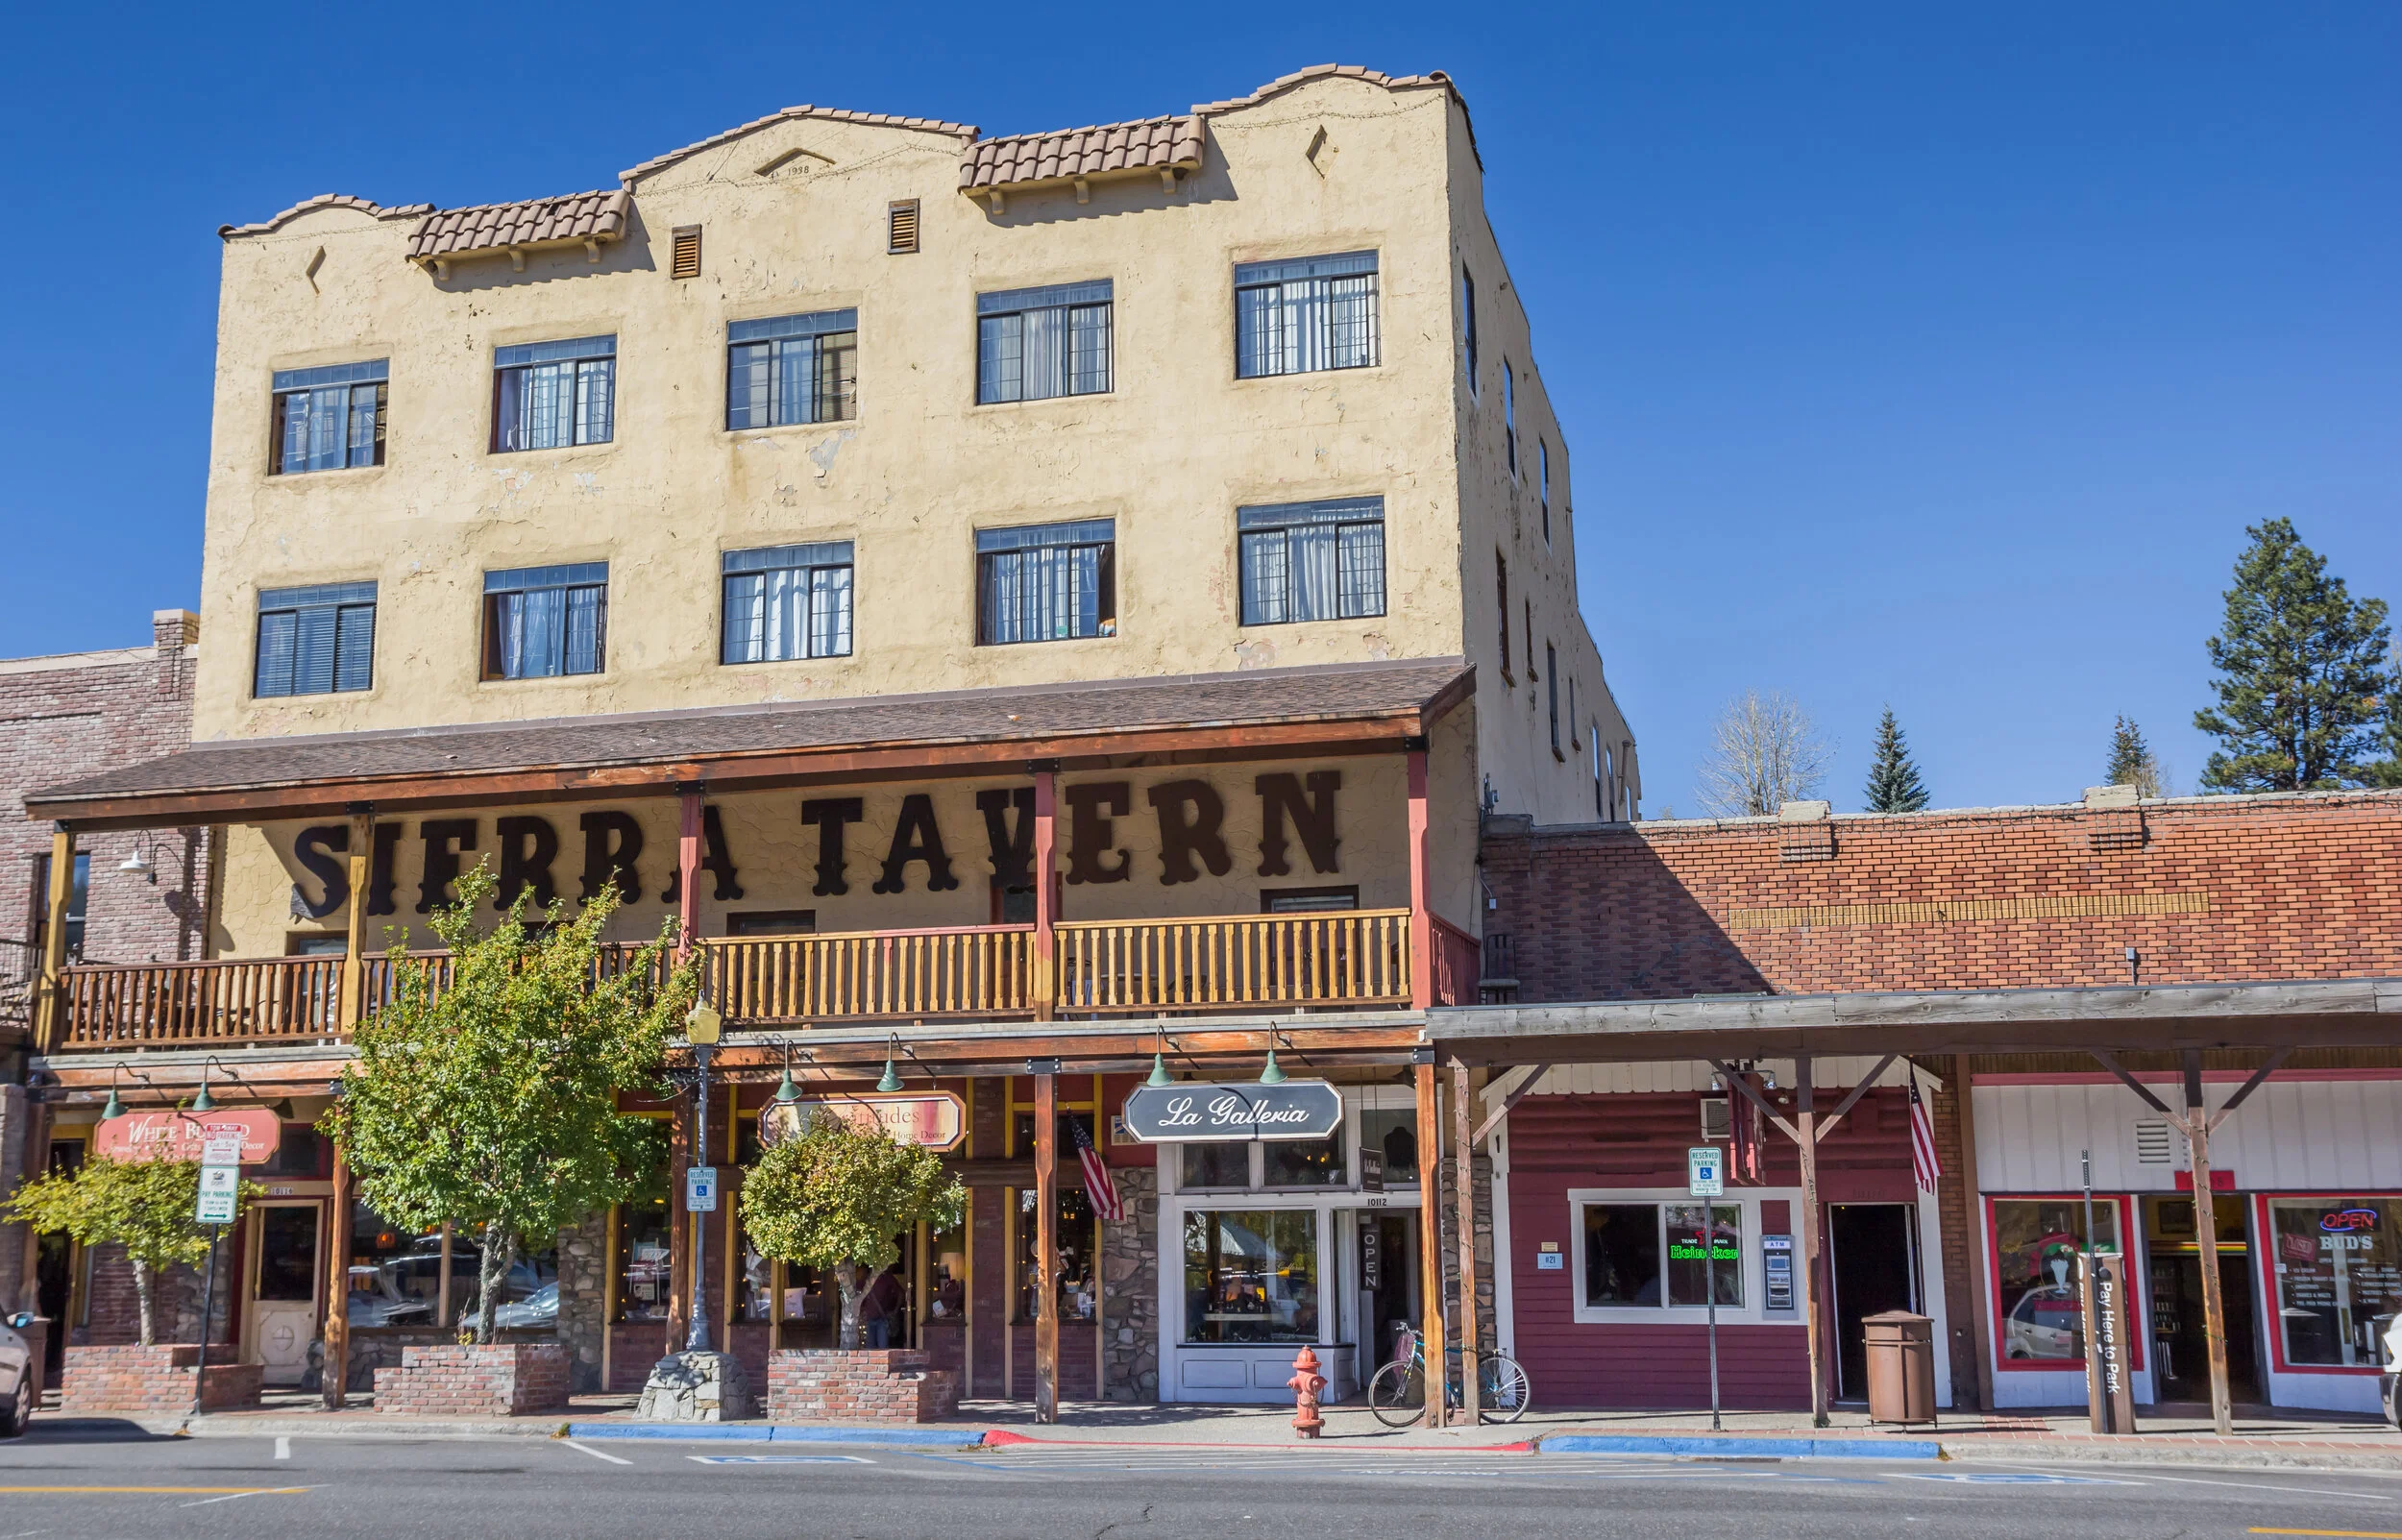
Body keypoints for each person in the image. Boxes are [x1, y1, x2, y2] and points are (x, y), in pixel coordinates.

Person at [860, 1261, 905, 1349]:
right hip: (869, 1318)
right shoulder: (866, 1279)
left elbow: (901, 1293)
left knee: (882, 1348)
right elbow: (857, 1295)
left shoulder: (887, 1278)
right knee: (870, 1348)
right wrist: (862, 1310)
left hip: (882, 1318)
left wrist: (895, 1311)